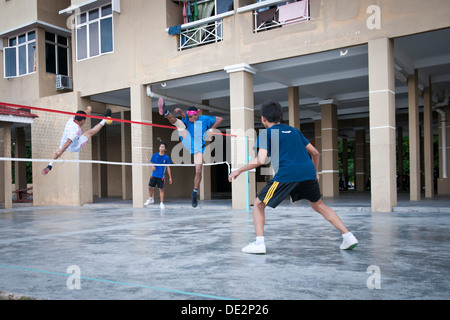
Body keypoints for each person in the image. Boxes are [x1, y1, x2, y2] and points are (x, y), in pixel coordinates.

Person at [228, 100, 358, 254]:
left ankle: (259, 243)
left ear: (263, 118)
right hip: (308, 173)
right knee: (318, 205)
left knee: (258, 204)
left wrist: (239, 170)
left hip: (286, 175)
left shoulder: (267, 133)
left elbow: (260, 160)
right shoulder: (295, 131)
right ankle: (348, 236)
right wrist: (315, 172)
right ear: (280, 117)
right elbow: (315, 152)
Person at [158, 97, 223, 207]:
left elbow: (220, 119)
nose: (189, 118)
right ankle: (165, 111)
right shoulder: (188, 119)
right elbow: (183, 119)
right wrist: (182, 114)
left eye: (191, 116)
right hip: (187, 139)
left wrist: (211, 130)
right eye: (188, 117)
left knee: (198, 171)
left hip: (198, 147)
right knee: (178, 124)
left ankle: (194, 192)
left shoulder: (205, 119)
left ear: (196, 114)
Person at [42, 106, 111, 175]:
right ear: (83, 121)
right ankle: (104, 119)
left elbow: (82, 115)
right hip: (74, 146)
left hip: (63, 142)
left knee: (56, 152)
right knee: (89, 133)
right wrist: (60, 153)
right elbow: (68, 143)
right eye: (84, 120)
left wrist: (88, 110)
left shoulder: (71, 119)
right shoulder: (76, 130)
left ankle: (49, 166)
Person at [144, 142, 173, 209]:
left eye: (163, 147)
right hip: (154, 175)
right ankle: (150, 199)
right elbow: (152, 162)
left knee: (161, 190)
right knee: (150, 187)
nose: (161, 148)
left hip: (161, 176)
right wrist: (152, 166)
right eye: (160, 146)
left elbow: (168, 167)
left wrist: (170, 177)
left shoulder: (166, 157)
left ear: (165, 149)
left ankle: (161, 203)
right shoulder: (155, 155)